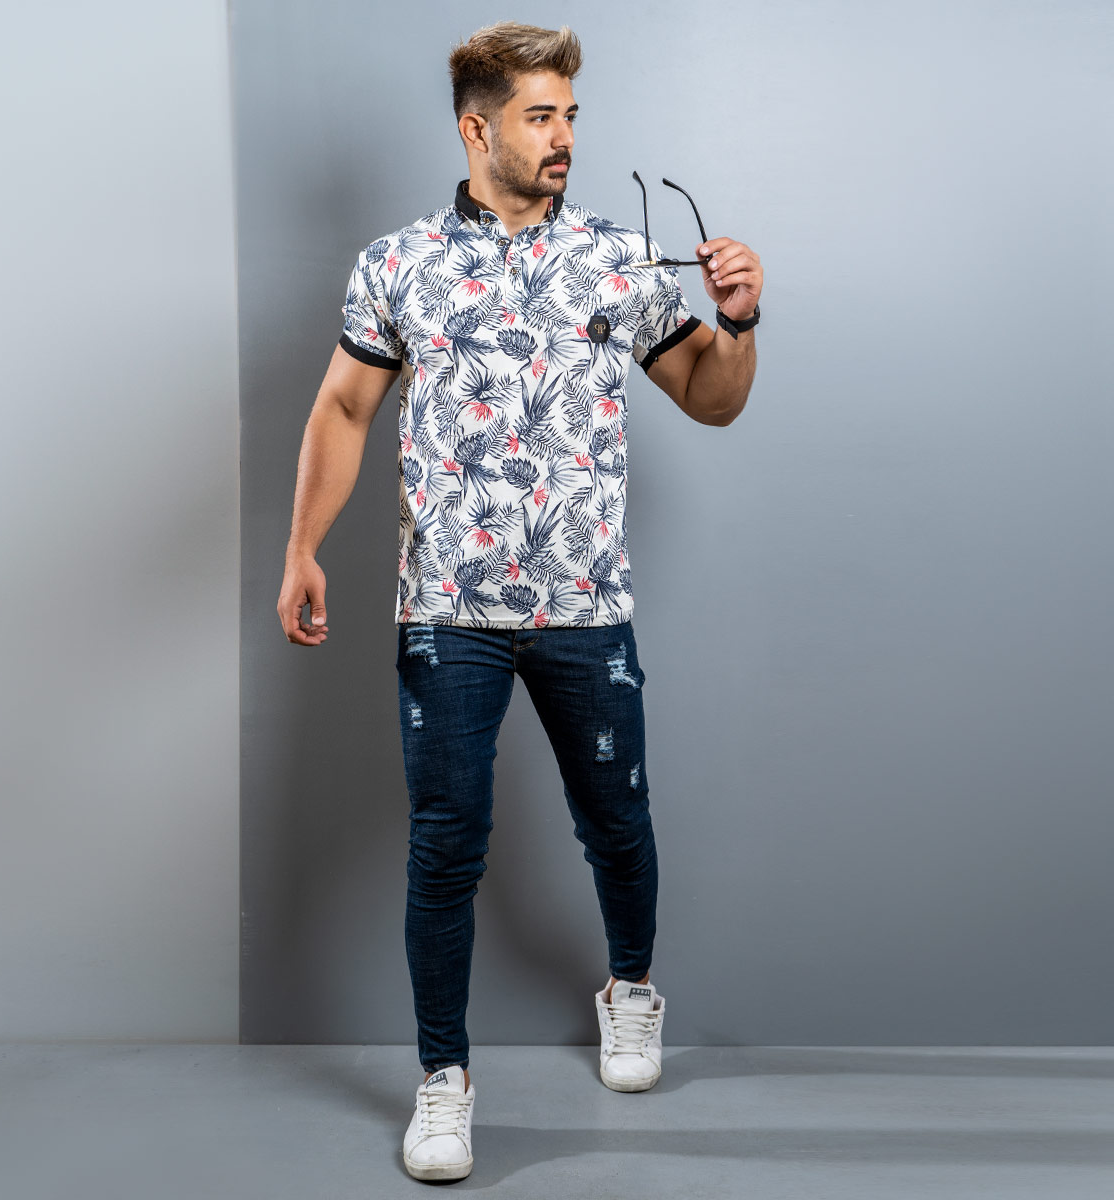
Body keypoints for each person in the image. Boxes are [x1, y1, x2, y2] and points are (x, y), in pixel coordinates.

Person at [277, 20, 762, 1183]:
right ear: (476, 128)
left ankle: (630, 986)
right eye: (541, 116)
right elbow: (344, 407)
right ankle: (443, 1084)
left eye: (571, 116)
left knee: (618, 825)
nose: (563, 138)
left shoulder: (616, 258)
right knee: (446, 846)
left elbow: (711, 398)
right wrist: (302, 548)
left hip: (585, 602)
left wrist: (739, 322)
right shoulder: (398, 264)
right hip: (449, 606)